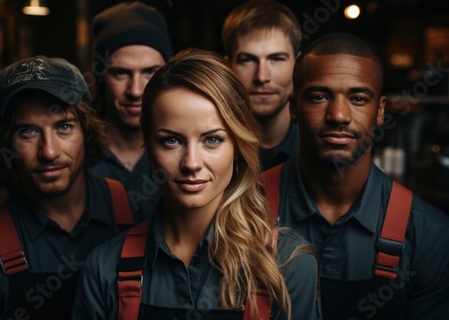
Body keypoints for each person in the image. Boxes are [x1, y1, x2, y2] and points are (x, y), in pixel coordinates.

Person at [73, 48, 321, 319]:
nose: (191, 163)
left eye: (212, 140)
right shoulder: (105, 268)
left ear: (238, 146)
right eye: (172, 140)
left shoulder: (288, 265)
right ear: (148, 145)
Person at [262, 33, 449, 319]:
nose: (338, 115)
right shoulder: (241, 209)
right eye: (319, 96)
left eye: (358, 98)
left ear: (380, 111)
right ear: (294, 108)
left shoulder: (429, 235)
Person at [0, 56, 134, 320]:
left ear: (87, 132)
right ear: (7, 143)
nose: (49, 151)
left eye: (64, 127)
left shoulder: (142, 213)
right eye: (28, 132)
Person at [89, 1, 174, 220]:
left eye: (149, 72)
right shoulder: (77, 155)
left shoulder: (187, 154)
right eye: (121, 73)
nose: (135, 90)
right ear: (100, 76)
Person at [222, 0, 301, 171]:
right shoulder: (206, 150)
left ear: (298, 65)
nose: (262, 76)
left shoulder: (319, 147)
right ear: (228, 67)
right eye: (247, 60)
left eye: (277, 59)